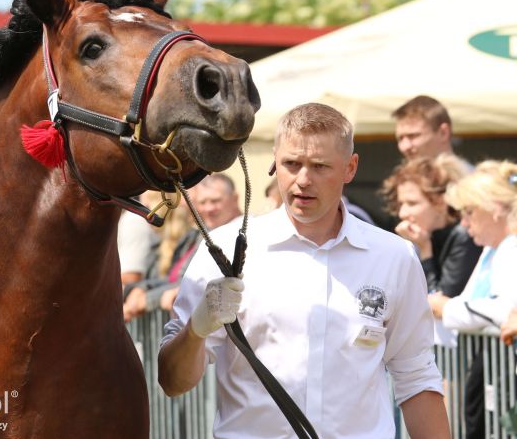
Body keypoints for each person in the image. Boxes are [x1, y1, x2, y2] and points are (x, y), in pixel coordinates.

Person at [158, 103, 449, 438]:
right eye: (291, 164)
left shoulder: (393, 256)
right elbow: (172, 382)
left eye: (320, 166)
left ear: (350, 168)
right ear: (274, 162)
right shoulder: (224, 247)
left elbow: (416, 374)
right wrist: (195, 330)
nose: (303, 180)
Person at [428, 160, 517, 439]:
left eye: (469, 212)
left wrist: (446, 308)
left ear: (496, 209)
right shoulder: (494, 250)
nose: (464, 223)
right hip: (488, 369)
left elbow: (506, 310)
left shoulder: (511, 248)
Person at [123, 174, 241, 321]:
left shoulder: (241, 235)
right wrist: (141, 288)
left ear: (235, 199)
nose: (209, 208)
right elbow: (180, 278)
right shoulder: (201, 235)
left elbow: (202, 282)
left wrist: (148, 299)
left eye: (215, 201)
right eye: (203, 202)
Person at [381, 155, 480, 298]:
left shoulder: (464, 236)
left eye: (412, 203)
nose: (402, 213)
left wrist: (425, 250)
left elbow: (438, 302)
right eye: (401, 204)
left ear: (440, 201)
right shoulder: (424, 234)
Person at [391, 95, 470, 167]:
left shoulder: (471, 180)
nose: (405, 147)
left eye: (413, 136)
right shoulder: (404, 181)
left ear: (443, 133)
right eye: (400, 138)